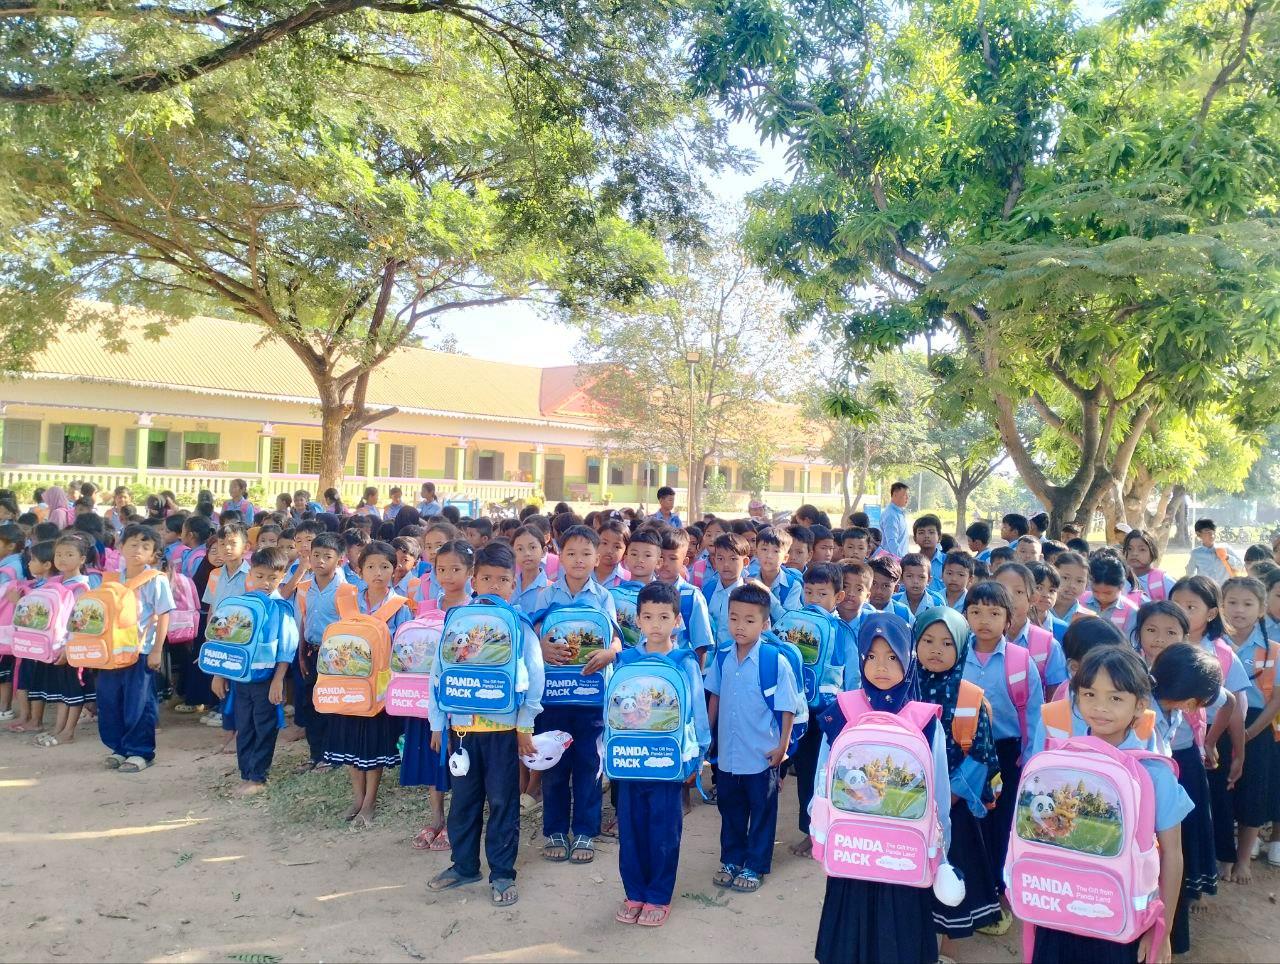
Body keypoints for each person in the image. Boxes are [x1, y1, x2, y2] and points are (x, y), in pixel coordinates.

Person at [1026, 646, 1190, 964]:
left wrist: (1163, 930)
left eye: (1115, 698)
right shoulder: (1058, 760)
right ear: (1076, 697)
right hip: (1059, 910)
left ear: (1140, 705)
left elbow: (1173, 854)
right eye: (1089, 694)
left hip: (1121, 919)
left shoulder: (1154, 772)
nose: (1100, 707)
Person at [812, 613, 952, 964]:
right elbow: (823, 775)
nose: (881, 667)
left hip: (904, 849)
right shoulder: (842, 712)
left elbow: (939, 790)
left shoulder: (925, 720)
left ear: (908, 658)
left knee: (899, 932)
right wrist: (820, 824)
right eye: (871, 656)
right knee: (850, 932)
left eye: (892, 656)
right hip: (853, 847)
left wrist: (941, 849)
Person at [427, 542, 544, 907]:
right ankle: (464, 866)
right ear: (474, 580)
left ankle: (503, 873)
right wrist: (437, 724)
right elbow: (438, 674)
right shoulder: (457, 621)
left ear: (514, 584)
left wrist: (524, 725)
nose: (495, 585)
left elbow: (535, 677)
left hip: (502, 733)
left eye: (503, 580)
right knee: (463, 802)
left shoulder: (519, 625)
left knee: (503, 803)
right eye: (487, 578)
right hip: (462, 731)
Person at [612, 581, 711, 926]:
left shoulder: (685, 662)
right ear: (638, 619)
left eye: (664, 617)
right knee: (630, 829)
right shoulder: (626, 660)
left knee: (664, 831)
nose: (656, 624)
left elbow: (698, 712)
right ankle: (634, 892)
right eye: (649, 616)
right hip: (629, 760)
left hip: (669, 762)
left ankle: (658, 896)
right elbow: (612, 710)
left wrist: (697, 757)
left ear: (677, 620)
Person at [1135, 610, 1227, 955]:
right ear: (1191, 704)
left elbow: (1226, 698)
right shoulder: (1145, 732)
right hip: (1145, 819)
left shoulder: (1160, 700)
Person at [912, 606, 1003, 949]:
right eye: (928, 640)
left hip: (954, 807)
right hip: (909, 804)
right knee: (913, 873)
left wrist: (949, 795)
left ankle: (946, 949)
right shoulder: (903, 687)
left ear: (962, 647)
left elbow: (981, 755)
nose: (936, 649)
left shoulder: (970, 697)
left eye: (947, 643)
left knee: (951, 875)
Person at [705, 582, 800, 895]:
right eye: (734, 618)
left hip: (762, 754)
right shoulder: (722, 657)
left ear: (764, 623)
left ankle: (755, 865)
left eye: (749, 620)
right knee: (730, 809)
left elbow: (787, 708)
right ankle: (732, 859)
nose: (740, 626)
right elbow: (715, 697)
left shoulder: (774, 661)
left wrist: (783, 747)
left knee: (762, 811)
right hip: (729, 754)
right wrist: (708, 735)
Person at [531, 524, 619, 864]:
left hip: (591, 696)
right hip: (553, 696)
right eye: (571, 553)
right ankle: (555, 829)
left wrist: (610, 653)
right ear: (560, 557)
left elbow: (615, 639)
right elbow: (533, 635)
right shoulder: (546, 595)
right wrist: (541, 647)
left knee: (589, 763)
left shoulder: (604, 597)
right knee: (553, 762)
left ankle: (585, 830)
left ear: (597, 558)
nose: (578, 560)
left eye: (586, 554)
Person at [962, 579, 1042, 933]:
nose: (984, 620)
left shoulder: (1021, 661)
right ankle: (969, 890)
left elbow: (1036, 716)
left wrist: (1031, 760)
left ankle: (997, 892)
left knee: (1001, 825)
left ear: (1009, 619)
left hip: (1008, 755)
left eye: (994, 613)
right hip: (964, 752)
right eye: (976, 612)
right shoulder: (955, 654)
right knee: (968, 822)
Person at [322, 541, 410, 825]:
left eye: (384, 566)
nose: (378, 573)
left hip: (381, 687)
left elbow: (404, 649)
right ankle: (357, 797)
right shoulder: (347, 601)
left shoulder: (400, 607)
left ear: (395, 570)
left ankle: (370, 801)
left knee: (373, 746)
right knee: (351, 743)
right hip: (348, 684)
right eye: (371, 567)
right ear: (359, 571)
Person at [1171, 575, 1248, 879]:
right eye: (1176, 604)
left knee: (1214, 802)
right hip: (1173, 740)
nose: (1181, 611)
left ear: (1211, 613)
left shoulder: (1222, 654)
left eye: (1191, 606)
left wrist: (1238, 753)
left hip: (1212, 739)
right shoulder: (1159, 645)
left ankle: (1217, 863)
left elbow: (1236, 710)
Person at [209, 547, 298, 795]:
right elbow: (226, 641)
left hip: (266, 679)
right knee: (244, 725)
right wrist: (219, 674)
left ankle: (258, 777)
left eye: (272, 578)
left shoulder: (280, 608)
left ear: (282, 576)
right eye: (259, 576)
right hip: (240, 678)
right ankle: (246, 772)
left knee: (264, 726)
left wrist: (278, 680)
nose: (265, 583)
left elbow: (286, 648)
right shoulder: (241, 605)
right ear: (251, 573)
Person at [98, 524, 175, 772]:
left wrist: (156, 650)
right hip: (111, 653)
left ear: (153, 554)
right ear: (121, 547)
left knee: (140, 704)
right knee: (110, 701)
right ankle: (119, 748)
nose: (137, 550)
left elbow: (164, 615)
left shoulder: (156, 579)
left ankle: (141, 752)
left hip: (140, 652)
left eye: (145, 546)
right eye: (132, 544)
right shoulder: (111, 579)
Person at [1219, 576, 1280, 883]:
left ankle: (1243, 860)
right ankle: (1224, 857)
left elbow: (1276, 700)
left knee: (1252, 793)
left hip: (1257, 727)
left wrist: (1249, 733)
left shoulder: (1274, 650)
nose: (1238, 610)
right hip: (1218, 723)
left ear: (1261, 609)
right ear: (1220, 605)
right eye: (1231, 602)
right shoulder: (1213, 644)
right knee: (1221, 791)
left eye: (1247, 604)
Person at [30, 536, 95, 746]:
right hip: (55, 646)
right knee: (62, 690)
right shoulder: (55, 582)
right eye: (58, 554)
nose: (62, 559)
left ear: (82, 559)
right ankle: (58, 728)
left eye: (69, 554)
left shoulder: (81, 586)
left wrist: (69, 647)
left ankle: (68, 732)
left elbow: (79, 621)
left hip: (72, 645)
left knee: (73, 688)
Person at [294, 532, 346, 769]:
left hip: (334, 656)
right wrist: (301, 654)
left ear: (339, 560)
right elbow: (304, 620)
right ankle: (315, 753)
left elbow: (347, 624)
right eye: (316, 555)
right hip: (311, 652)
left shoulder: (345, 590)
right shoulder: (304, 587)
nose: (320, 561)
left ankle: (332, 755)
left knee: (332, 703)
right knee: (311, 703)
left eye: (327, 556)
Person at [994, 562, 1069, 692]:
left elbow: (1056, 695)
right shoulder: (974, 640)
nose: (1009, 597)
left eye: (1019, 591)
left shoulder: (1049, 645)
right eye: (1002, 590)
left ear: (1033, 598)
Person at [1088, 553, 1140, 638]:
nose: (1101, 597)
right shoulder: (1080, 601)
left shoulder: (1131, 612)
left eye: (1108, 593)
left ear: (1121, 586)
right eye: (1095, 591)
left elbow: (1129, 643)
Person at [755, 526, 802, 609]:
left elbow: (786, 616)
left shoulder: (793, 586)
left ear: (785, 558)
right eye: (764, 549)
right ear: (756, 553)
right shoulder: (748, 581)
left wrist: (765, 591)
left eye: (776, 551)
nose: (769, 556)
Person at [1123, 529, 1176, 601]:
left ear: (1152, 552)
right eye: (1129, 549)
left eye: (1142, 549)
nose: (1134, 553)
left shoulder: (1163, 581)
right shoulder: (1119, 580)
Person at [1187, 519, 1243, 584]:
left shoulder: (1225, 548)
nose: (1211, 534)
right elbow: (1190, 574)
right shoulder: (1196, 554)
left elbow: (1241, 566)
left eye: (1213, 531)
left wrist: (1227, 557)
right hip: (1207, 588)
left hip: (1226, 588)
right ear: (1198, 534)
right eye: (1207, 531)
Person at [1048, 550, 1093, 625]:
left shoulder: (1089, 619)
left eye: (1079, 581)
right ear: (1051, 576)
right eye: (1065, 578)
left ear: (1086, 584)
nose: (1072, 585)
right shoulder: (1037, 611)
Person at [896, 552, 944, 619]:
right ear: (901, 578)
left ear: (929, 580)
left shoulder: (937, 604)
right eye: (909, 576)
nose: (915, 581)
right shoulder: (894, 602)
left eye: (921, 577)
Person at [866, 555, 913, 623]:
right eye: (874, 584)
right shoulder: (857, 609)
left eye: (886, 586)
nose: (879, 591)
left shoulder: (903, 613)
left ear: (896, 589)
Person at [911, 514, 946, 594]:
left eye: (931, 532)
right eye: (921, 532)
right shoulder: (909, 563)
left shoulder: (948, 562)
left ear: (939, 537)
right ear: (915, 538)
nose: (926, 536)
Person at [593, 519, 630, 588]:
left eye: (617, 547)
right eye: (604, 543)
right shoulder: (583, 572)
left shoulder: (628, 579)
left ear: (626, 551)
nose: (609, 550)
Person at [881, 481, 910, 557]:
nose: (907, 498)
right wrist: (902, 559)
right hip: (894, 560)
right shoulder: (891, 515)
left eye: (908, 495)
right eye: (905, 495)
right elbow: (892, 542)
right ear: (895, 495)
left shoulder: (899, 513)